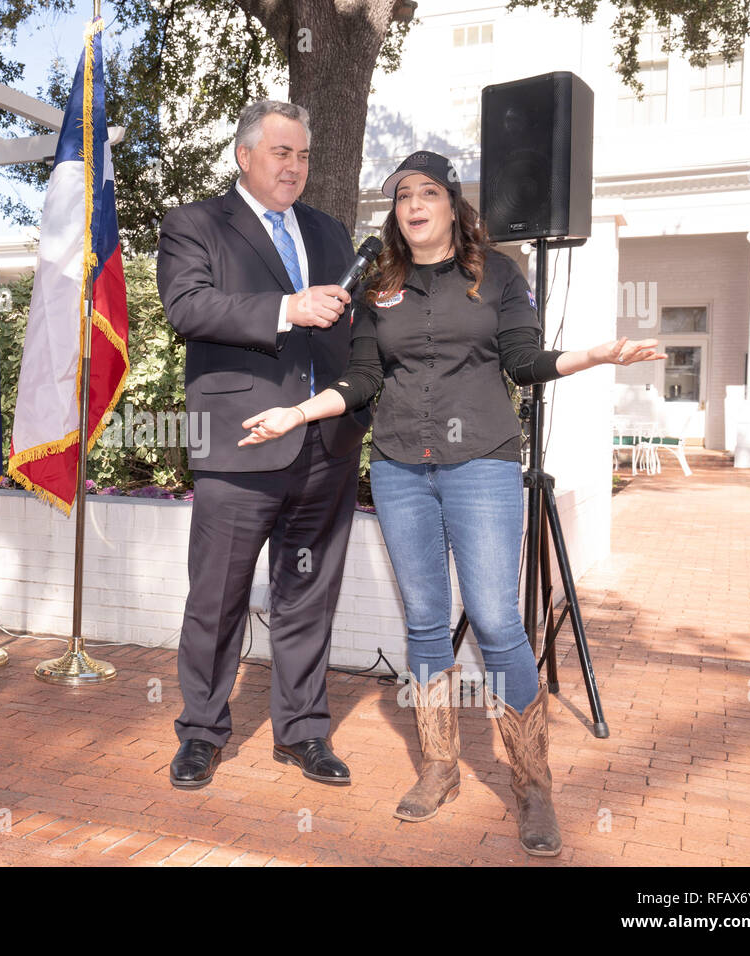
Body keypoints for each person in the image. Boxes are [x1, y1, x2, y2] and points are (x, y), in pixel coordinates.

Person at [239, 150, 662, 856]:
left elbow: (524, 362)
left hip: (483, 467)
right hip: (402, 468)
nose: (413, 203)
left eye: (427, 191)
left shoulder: (497, 275)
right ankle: (439, 767)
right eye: (402, 194)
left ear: (451, 204)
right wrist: (296, 414)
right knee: (428, 621)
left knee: (498, 620)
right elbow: (364, 377)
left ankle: (531, 784)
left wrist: (589, 356)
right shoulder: (380, 287)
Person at [156, 100, 372, 789]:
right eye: (282, 152)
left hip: (325, 447)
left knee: (307, 595)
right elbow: (187, 307)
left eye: (304, 155)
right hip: (240, 445)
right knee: (216, 597)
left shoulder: (331, 232)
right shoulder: (194, 224)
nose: (295, 167)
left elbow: (356, 327)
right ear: (244, 155)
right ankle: (200, 731)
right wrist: (286, 308)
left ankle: (304, 731)